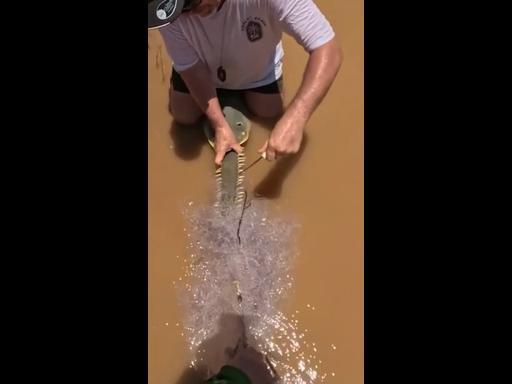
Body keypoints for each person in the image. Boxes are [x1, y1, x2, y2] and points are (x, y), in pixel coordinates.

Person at [148, 0, 342, 166]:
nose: (187, 14)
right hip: (201, 62)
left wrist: (296, 118)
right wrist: (219, 125)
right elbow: (191, 67)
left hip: (256, 68)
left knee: (269, 112)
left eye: (189, 3)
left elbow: (327, 48)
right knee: (184, 117)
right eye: (178, 9)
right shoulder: (168, 11)